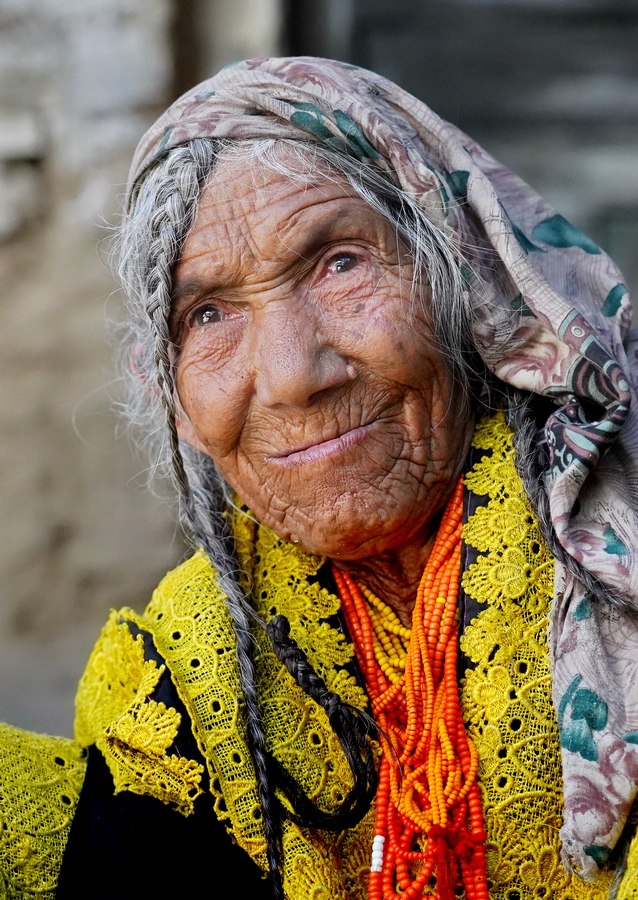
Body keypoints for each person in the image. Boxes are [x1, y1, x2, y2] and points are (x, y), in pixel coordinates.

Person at [1, 55, 638, 900]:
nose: (294, 374)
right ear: (176, 399)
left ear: (468, 283)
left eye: (338, 263)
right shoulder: (193, 667)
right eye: (210, 314)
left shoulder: (613, 570)